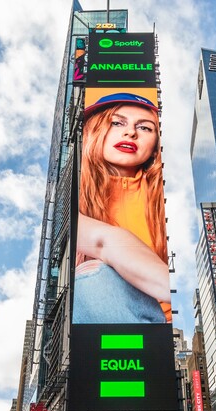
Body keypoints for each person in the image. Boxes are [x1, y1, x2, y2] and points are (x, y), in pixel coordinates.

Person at [74, 92, 170, 324]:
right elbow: (104, 241)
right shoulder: (74, 194)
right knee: (92, 278)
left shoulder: (169, 194)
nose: (130, 132)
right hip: (114, 323)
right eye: (117, 122)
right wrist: (180, 291)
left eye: (145, 128)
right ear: (94, 130)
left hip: (171, 326)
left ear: (157, 142)